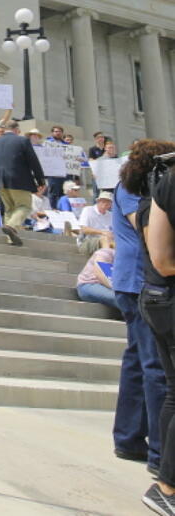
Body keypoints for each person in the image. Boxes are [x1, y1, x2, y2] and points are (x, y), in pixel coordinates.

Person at [113, 141, 173, 477]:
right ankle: (159, 453)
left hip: (132, 281)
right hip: (138, 282)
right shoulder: (133, 191)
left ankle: (129, 437)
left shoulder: (132, 187)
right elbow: (149, 231)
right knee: (155, 367)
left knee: (137, 361)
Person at [132, 148, 175, 514]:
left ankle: (163, 470)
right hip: (162, 297)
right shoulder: (163, 191)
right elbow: (160, 258)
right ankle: (166, 483)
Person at [0, 119, 47, 248]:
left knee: (9, 210)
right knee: (24, 206)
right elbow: (33, 161)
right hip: (19, 180)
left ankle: (10, 239)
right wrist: (40, 180)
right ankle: (11, 226)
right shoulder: (22, 141)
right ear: (17, 130)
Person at [75, 234, 118, 310]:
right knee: (122, 298)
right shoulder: (105, 252)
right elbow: (103, 275)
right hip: (89, 284)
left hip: (104, 285)